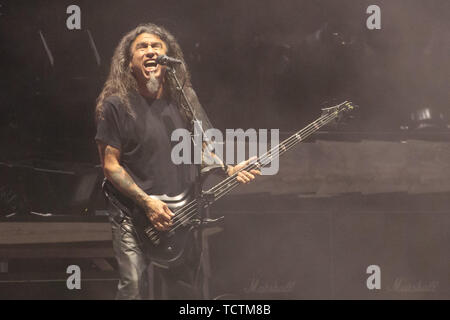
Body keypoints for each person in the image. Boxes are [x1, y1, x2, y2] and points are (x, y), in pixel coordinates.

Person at [94, 23, 260, 299]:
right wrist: (147, 202)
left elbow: (204, 147)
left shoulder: (184, 99)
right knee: (133, 286)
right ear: (129, 61)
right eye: (142, 47)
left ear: (167, 58)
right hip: (133, 215)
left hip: (181, 213)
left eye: (156, 46)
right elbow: (110, 165)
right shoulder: (116, 105)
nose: (150, 51)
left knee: (186, 292)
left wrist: (227, 169)